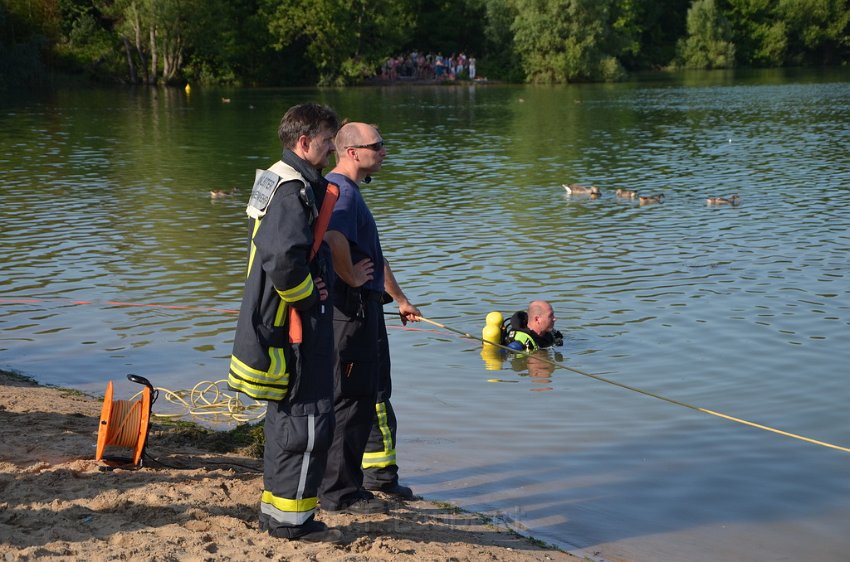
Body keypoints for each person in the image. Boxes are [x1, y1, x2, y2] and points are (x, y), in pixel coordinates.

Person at [226, 103, 341, 543]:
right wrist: (311, 298)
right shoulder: (293, 191)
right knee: (307, 422)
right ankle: (293, 524)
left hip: (272, 321)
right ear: (304, 142)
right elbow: (281, 259)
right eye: (328, 142)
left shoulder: (274, 177)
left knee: (285, 418)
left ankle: (276, 513)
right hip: (292, 326)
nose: (332, 151)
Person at [319, 122, 421, 514]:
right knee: (352, 398)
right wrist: (349, 276)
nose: (384, 150)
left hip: (366, 309)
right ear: (351, 152)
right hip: (350, 314)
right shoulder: (341, 192)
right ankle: (341, 493)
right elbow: (332, 238)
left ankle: (355, 482)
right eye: (376, 145)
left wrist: (399, 298)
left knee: (363, 395)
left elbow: (372, 257)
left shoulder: (348, 189)